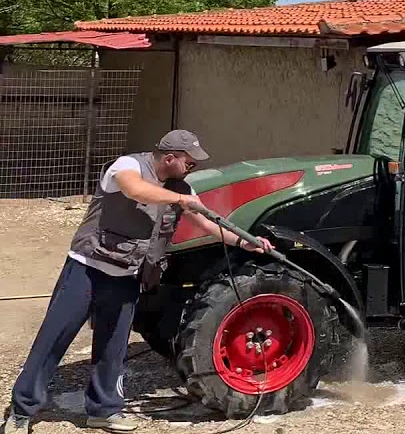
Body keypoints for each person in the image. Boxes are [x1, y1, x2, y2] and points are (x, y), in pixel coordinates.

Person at [3, 131, 274, 434]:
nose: (191, 168)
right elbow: (137, 191)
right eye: (189, 162)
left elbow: (207, 223)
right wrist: (183, 199)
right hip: (87, 269)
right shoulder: (127, 166)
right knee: (53, 340)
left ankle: (104, 410)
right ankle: (22, 411)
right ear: (170, 157)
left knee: (113, 348)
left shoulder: (180, 188)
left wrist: (244, 242)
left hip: (126, 277)